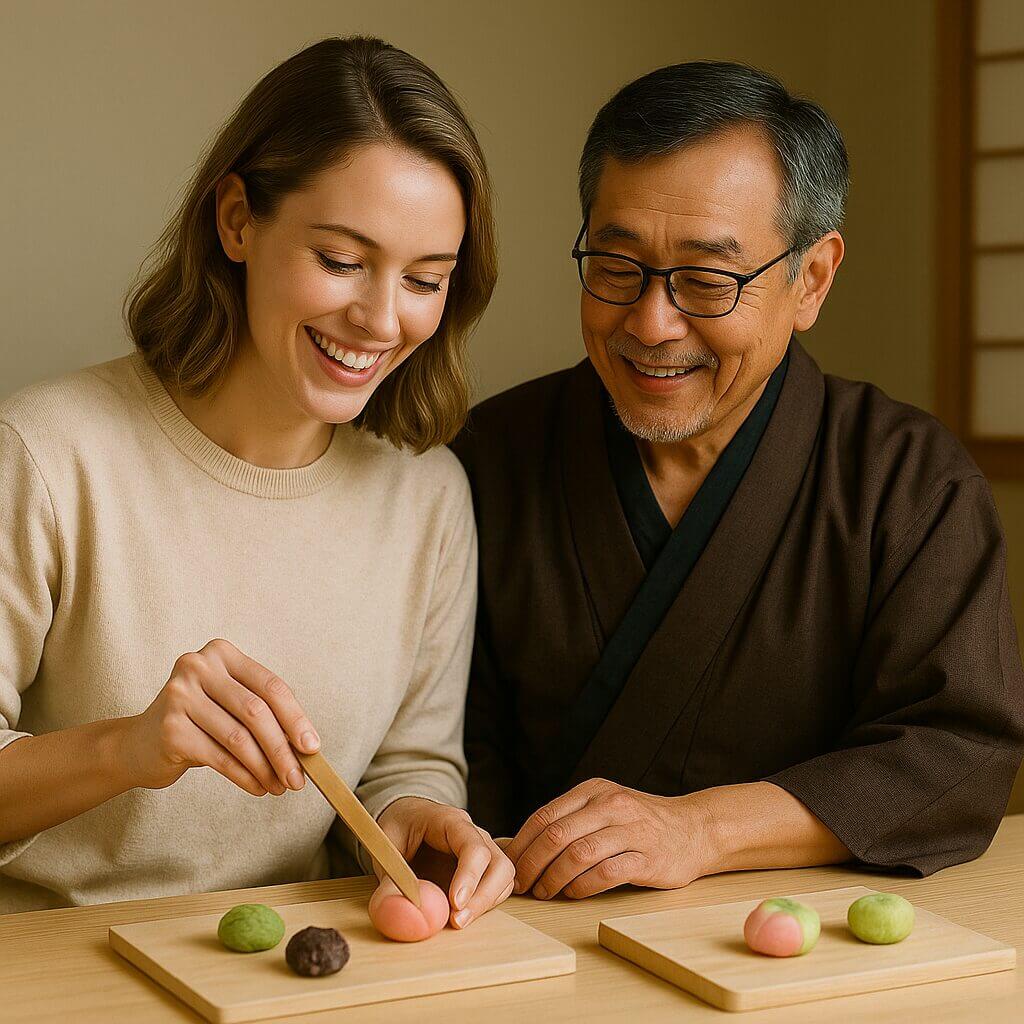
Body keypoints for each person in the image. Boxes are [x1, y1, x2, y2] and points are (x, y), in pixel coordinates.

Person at [453, 61, 1024, 902]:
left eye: (707, 280)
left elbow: (958, 752)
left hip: (803, 947)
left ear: (812, 280)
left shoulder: (906, 481)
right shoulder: (488, 459)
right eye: (616, 267)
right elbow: (435, 751)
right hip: (527, 931)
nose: (651, 324)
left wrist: (702, 829)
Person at [0, 36, 514, 934]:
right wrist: (127, 748)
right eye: (343, 261)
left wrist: (423, 825)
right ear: (237, 220)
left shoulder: (428, 498)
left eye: (426, 279)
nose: (382, 319)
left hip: (284, 968)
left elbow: (407, 767)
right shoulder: (45, 454)